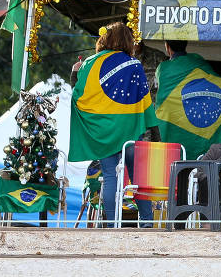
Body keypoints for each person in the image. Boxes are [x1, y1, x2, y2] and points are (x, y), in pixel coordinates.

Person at [68, 22, 158, 226]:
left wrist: (75, 73)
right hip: (130, 130)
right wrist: (154, 130)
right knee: (138, 178)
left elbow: (78, 96)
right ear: (128, 41)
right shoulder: (134, 64)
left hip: (103, 131)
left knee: (110, 177)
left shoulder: (90, 63)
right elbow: (145, 100)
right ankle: (146, 221)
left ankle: (111, 224)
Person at [154, 39, 221, 160]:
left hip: (183, 113)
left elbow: (161, 93)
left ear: (167, 47)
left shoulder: (164, 68)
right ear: (186, 44)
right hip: (215, 100)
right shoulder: (198, 60)